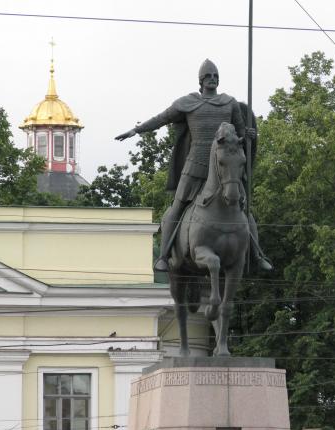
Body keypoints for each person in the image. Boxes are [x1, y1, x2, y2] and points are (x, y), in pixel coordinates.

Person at [116, 59, 271, 272]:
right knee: (177, 207)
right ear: (200, 80)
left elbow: (241, 134)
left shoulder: (229, 103)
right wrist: (137, 130)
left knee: (243, 207)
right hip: (196, 163)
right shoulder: (188, 103)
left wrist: (250, 135)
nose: (212, 80)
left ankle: (257, 254)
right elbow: (161, 119)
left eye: (215, 76)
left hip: (224, 165)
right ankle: (163, 257)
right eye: (208, 76)